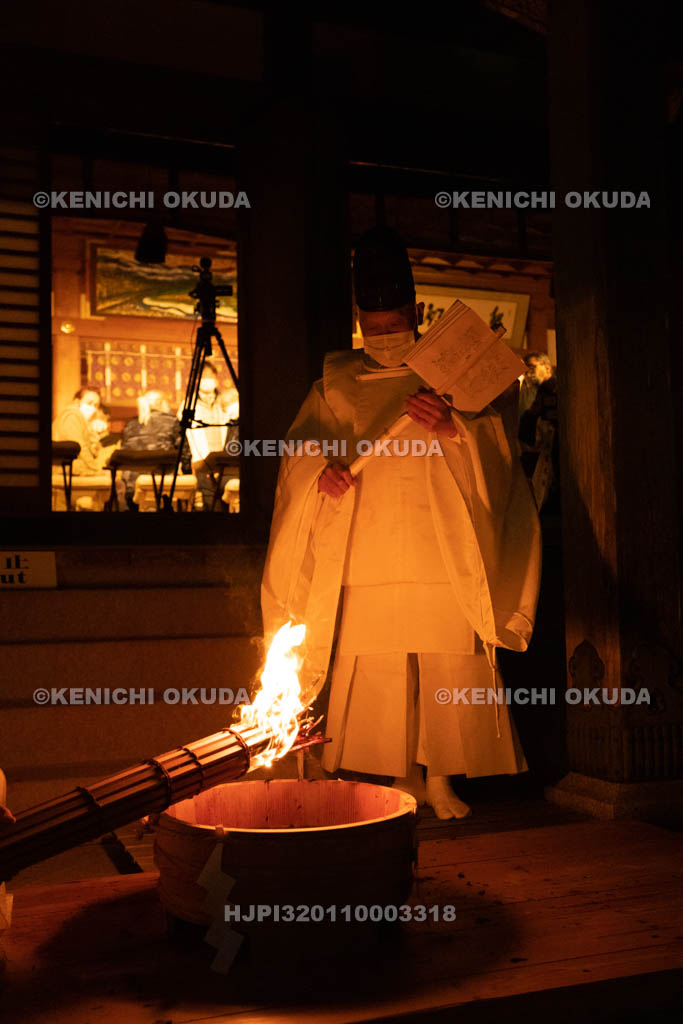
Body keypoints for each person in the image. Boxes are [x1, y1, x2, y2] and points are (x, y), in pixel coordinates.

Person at [261, 226, 542, 819]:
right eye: (375, 326)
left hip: (441, 545)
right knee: (380, 665)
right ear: (359, 319)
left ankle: (441, 778)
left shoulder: (454, 379)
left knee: (446, 658)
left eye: (395, 324)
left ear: (415, 312)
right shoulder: (335, 385)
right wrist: (322, 477)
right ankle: (398, 775)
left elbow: (497, 456)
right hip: (368, 543)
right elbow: (300, 454)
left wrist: (452, 427)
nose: (385, 337)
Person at [179, 362, 230, 511]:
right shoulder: (188, 405)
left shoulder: (225, 401)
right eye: (204, 376)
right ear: (197, 380)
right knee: (210, 504)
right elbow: (185, 438)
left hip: (224, 460)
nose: (208, 380)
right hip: (202, 461)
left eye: (211, 376)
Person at [121, 390, 181, 511]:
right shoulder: (172, 421)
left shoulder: (130, 425)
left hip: (133, 486)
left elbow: (124, 454)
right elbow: (183, 452)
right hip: (164, 483)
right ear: (162, 403)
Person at [52, 386, 115, 475]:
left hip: (74, 467)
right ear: (77, 402)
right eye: (89, 403)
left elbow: (94, 451)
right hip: (65, 468)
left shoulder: (83, 421)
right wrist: (97, 470)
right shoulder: (71, 417)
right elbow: (80, 448)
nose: (92, 408)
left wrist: (97, 433)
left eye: (96, 405)